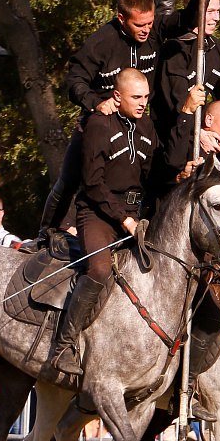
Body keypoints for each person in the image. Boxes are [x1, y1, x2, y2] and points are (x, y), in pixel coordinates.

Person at [38, 0, 213, 233]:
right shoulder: (101, 42)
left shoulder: (154, 30)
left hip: (139, 124)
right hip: (100, 123)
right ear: (122, 19)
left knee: (153, 176)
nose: (146, 30)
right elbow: (74, 80)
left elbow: (185, 19)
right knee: (69, 180)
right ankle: (44, 236)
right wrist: (96, 102)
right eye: (139, 25)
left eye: (150, 24)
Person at [46, 69, 158, 379]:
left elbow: (151, 176)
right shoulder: (97, 124)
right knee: (99, 269)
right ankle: (63, 346)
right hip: (96, 213)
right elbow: (92, 184)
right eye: (136, 97)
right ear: (117, 96)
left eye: (146, 97)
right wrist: (124, 220)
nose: (143, 103)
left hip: (135, 215)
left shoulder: (148, 125)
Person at [156, 0, 220, 128]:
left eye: (218, 11)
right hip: (171, 133)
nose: (216, 18)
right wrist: (201, 135)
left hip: (199, 128)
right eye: (210, 11)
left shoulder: (218, 49)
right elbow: (176, 104)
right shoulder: (174, 49)